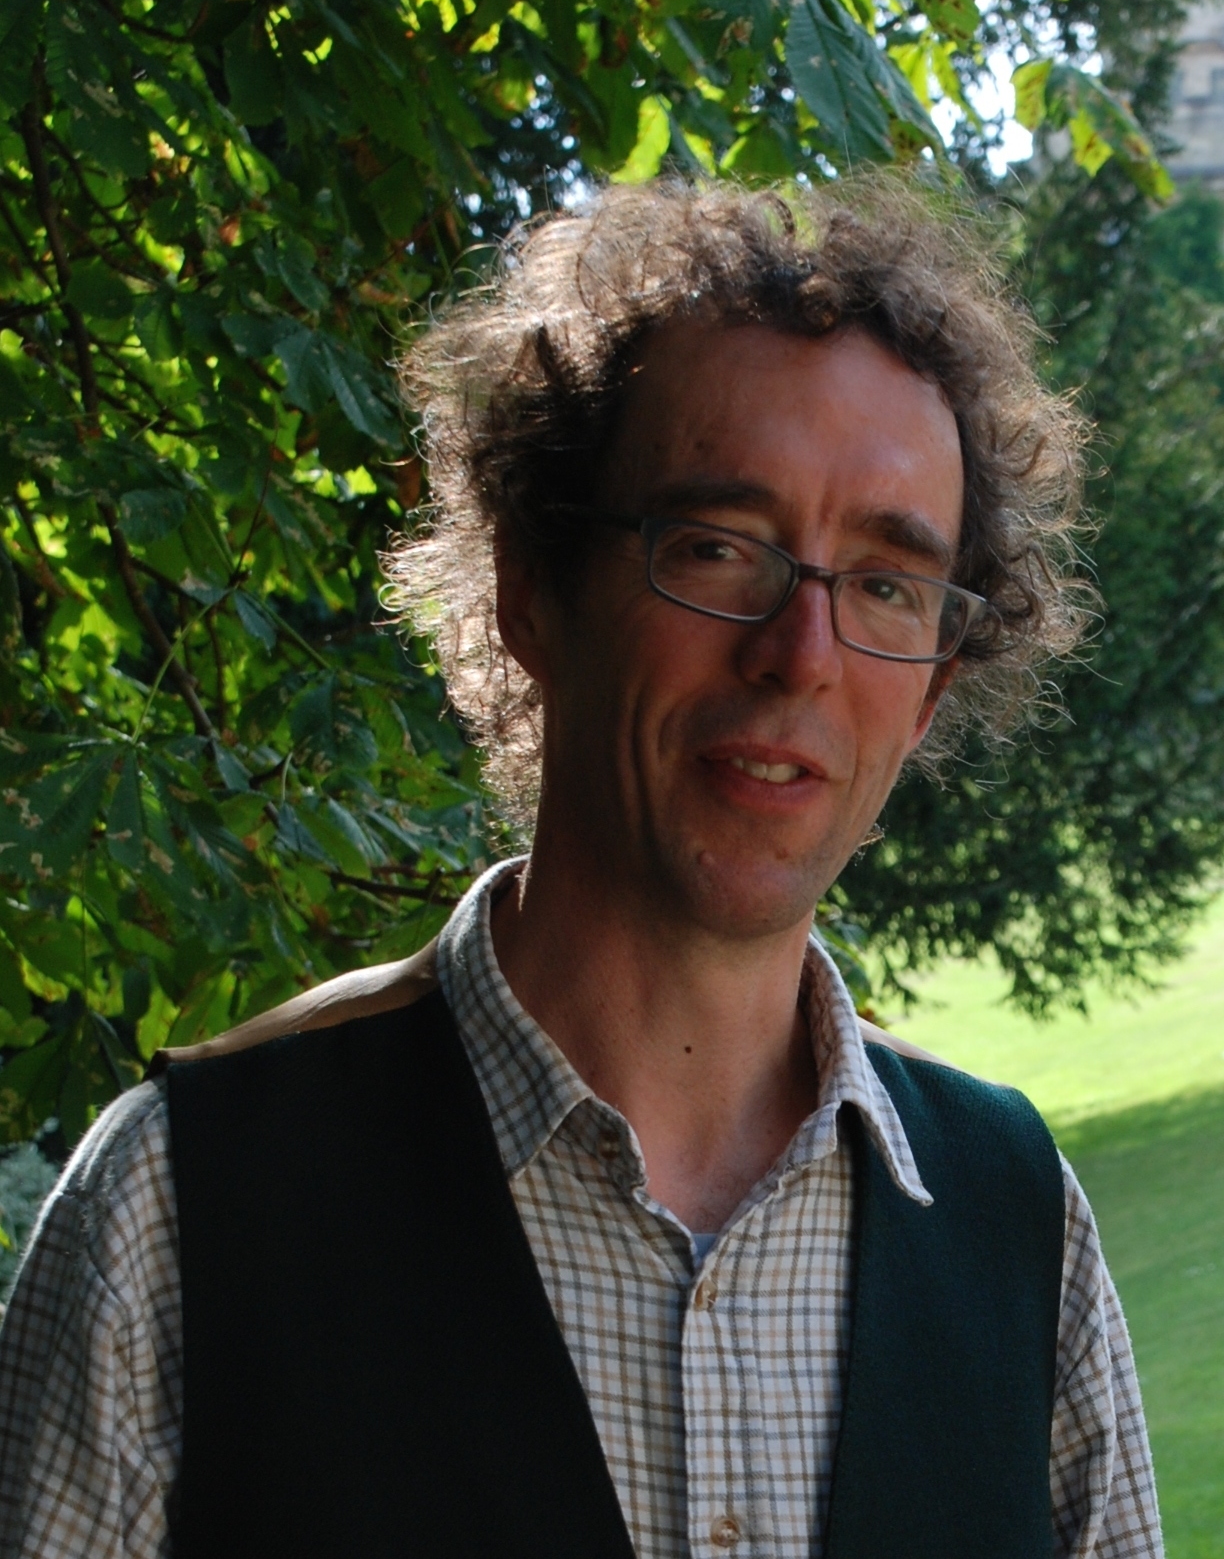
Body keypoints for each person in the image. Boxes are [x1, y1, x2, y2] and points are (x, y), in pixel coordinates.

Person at [0, 178, 1162, 1559]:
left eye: (886, 583)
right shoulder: (178, 1214)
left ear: (927, 696)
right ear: (533, 591)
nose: (801, 655)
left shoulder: (1021, 1230)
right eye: (719, 549)